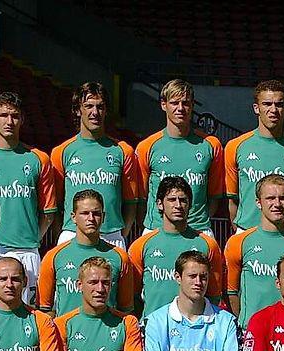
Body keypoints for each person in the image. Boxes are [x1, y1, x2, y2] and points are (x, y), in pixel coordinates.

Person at [142, 251, 245, 351]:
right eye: (192, 276)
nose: (198, 282)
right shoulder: (154, 321)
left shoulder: (227, 321)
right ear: (177, 277)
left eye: (203, 277)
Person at [0, 92, 56, 263]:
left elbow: (48, 212)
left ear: (22, 119)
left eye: (15, 116)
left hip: (26, 250)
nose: (9, 121)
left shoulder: (40, 159)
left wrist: (32, 239)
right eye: (3, 115)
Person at [50, 82, 139, 247]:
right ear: (78, 110)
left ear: (106, 111)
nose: (95, 112)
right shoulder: (61, 152)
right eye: (89, 106)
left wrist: (120, 234)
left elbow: (131, 202)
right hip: (72, 234)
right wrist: (62, 233)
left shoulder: (123, 151)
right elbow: (56, 203)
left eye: (100, 107)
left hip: (111, 235)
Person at [224, 174, 284, 327]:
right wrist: (246, 323)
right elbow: (231, 292)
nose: (277, 204)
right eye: (270, 198)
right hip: (252, 330)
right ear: (258, 202)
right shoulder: (238, 242)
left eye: (283, 198)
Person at [135, 79, 224, 235]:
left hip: (198, 230)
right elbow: (141, 196)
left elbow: (215, 196)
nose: (180, 108)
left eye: (186, 103)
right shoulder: (146, 147)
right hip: (157, 229)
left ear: (193, 105)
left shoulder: (211, 145)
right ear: (164, 105)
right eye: (174, 103)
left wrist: (198, 220)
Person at [225, 80, 284, 231]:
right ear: (256, 108)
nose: (273, 110)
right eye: (267, 104)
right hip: (247, 231)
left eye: (279, 104)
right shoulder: (235, 146)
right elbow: (232, 199)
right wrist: (239, 232)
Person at [128, 177, 224, 313]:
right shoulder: (141, 245)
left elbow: (214, 294)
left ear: (190, 204)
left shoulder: (208, 245)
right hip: (154, 324)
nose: (178, 205)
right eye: (172, 199)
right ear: (160, 204)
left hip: (194, 323)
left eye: (183, 200)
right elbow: (133, 295)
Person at [37, 190, 134, 317]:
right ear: (73, 217)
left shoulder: (120, 257)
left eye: (96, 213)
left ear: (103, 216)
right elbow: (44, 310)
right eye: (84, 213)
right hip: (67, 329)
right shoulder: (54, 256)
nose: (91, 218)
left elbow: (125, 309)